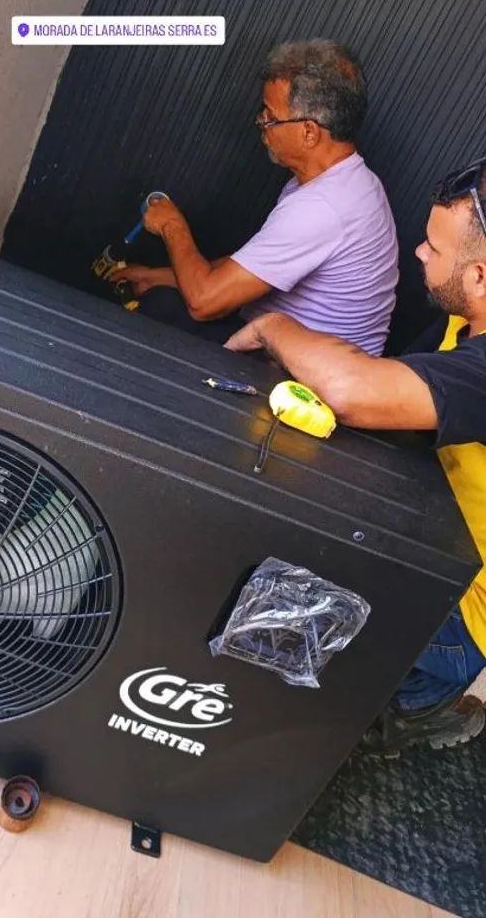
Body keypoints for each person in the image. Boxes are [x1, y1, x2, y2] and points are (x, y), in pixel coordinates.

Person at [224, 156, 486, 755]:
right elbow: (389, 395)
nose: (418, 252)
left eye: (433, 247)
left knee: (301, 633)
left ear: (478, 276)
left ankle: (415, 709)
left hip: (466, 611)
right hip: (439, 524)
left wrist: (272, 327)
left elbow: (353, 390)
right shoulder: (465, 320)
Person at [112, 40, 398, 354]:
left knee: (161, 309)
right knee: (161, 294)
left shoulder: (321, 209)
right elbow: (254, 264)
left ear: (309, 132)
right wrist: (159, 276)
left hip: (301, 374)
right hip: (295, 347)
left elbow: (203, 303)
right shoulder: (350, 181)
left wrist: (172, 226)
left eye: (270, 116)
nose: (260, 121)